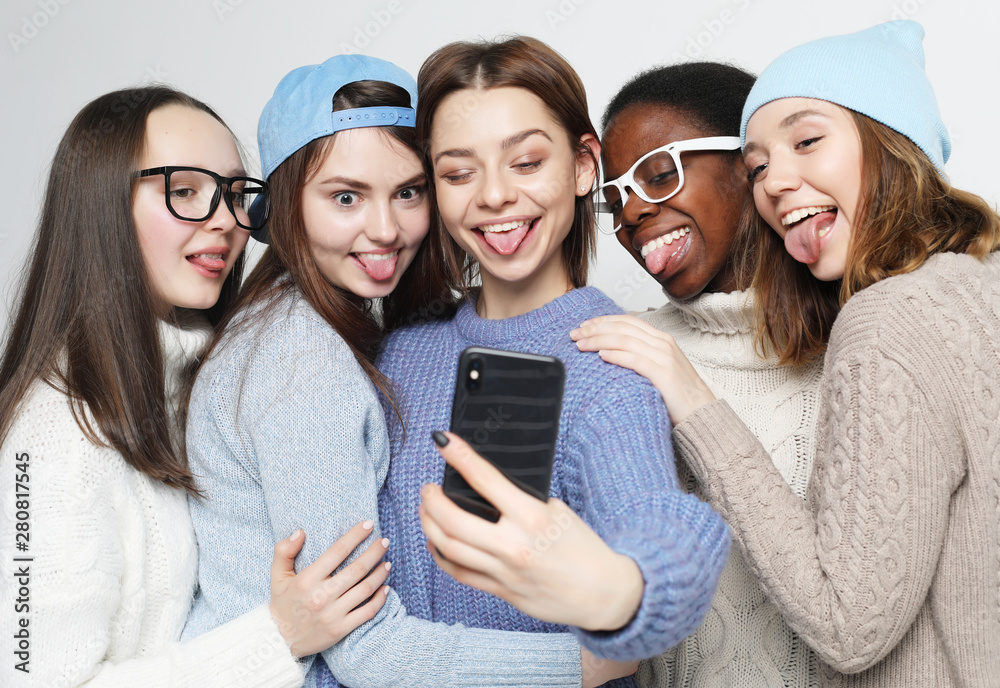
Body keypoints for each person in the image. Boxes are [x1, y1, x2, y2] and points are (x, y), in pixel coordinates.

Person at [576, 20, 1000, 687]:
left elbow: (848, 625)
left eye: (807, 142)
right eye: (762, 166)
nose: (776, 181)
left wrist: (695, 405)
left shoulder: (881, 324)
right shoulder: (973, 291)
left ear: (891, 140)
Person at [183, 54, 628, 688]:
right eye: (345, 197)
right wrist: (589, 664)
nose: (386, 229)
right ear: (283, 205)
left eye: (408, 192)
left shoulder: (322, 326)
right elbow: (367, 649)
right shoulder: (300, 362)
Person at [0, 86, 393, 688]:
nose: (226, 221)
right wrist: (277, 638)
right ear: (100, 208)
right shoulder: (54, 437)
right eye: (183, 191)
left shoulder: (202, 373)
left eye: (235, 194)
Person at [377, 37, 729, 686]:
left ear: (583, 166)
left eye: (527, 161)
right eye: (458, 173)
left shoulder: (608, 362)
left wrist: (619, 591)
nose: (494, 195)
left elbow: (657, 521)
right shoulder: (400, 350)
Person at [574, 62, 823, 687]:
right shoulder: (621, 349)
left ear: (749, 164)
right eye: (615, 198)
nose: (632, 212)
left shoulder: (860, 340)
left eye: (659, 175)